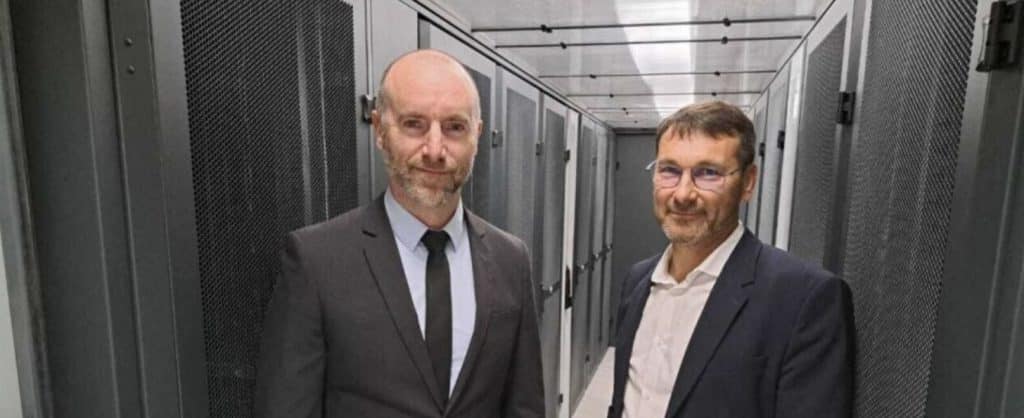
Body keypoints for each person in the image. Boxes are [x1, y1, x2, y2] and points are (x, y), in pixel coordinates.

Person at [255, 49, 543, 418]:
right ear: (379, 130)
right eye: (414, 124)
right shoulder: (316, 261)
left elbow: (525, 407)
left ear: (477, 135)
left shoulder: (510, 260)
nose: (435, 150)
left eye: (455, 127)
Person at [608, 101, 854, 418]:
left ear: (748, 183)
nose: (683, 194)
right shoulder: (638, 281)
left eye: (708, 173)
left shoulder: (805, 299)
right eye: (669, 170)